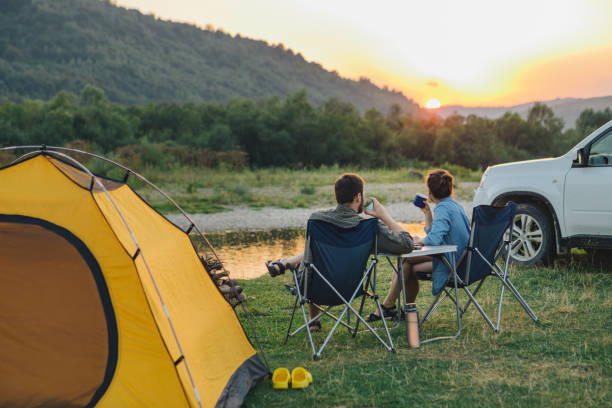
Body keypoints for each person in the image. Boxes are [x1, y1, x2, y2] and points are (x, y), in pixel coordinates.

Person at [267, 173, 413, 332]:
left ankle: (313, 319)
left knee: (311, 259)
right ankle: (287, 263)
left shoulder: (317, 220)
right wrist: (383, 215)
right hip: (350, 289)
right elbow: (407, 244)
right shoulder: (369, 227)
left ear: (337, 196)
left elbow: (309, 259)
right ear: (359, 197)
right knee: (312, 256)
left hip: (314, 289)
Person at [367, 169, 470, 321]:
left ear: (429, 191)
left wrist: (419, 241)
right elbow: (436, 233)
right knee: (408, 265)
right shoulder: (454, 205)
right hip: (462, 259)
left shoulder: (443, 208)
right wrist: (427, 214)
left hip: (453, 262)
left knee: (406, 259)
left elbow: (434, 240)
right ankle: (405, 310)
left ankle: (389, 307)